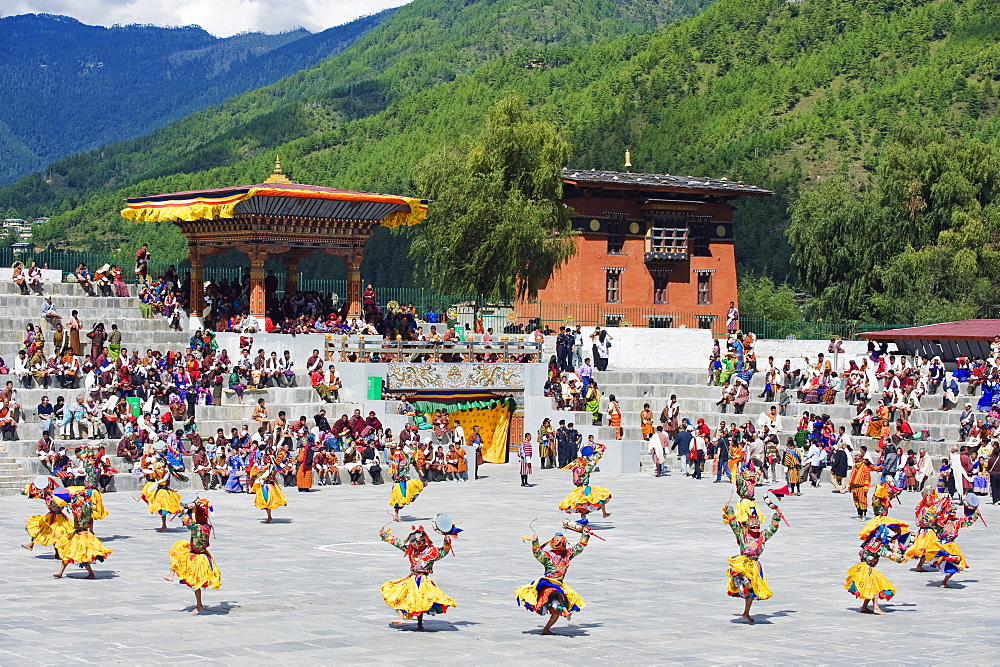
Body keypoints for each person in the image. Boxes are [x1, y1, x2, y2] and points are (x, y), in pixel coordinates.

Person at [722, 473, 781, 624]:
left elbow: (771, 530)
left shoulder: (761, 537)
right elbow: (734, 525)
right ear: (748, 527)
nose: (755, 528)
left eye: (757, 526)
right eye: (752, 526)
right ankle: (740, 583)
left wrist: (776, 517)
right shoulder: (743, 536)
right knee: (746, 583)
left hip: (754, 565)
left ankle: (745, 612)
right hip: (743, 564)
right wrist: (729, 512)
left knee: (752, 592)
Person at [379, 524, 455, 631]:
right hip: (412, 577)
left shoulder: (431, 551)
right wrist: (385, 535)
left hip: (423, 580)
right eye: (414, 543)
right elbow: (398, 543)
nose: (416, 545)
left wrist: (446, 541)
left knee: (420, 600)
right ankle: (401, 618)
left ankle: (419, 623)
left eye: (419, 543)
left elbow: (444, 551)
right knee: (401, 596)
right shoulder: (411, 549)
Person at [514, 529, 590, 635]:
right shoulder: (548, 556)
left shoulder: (567, 554)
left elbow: (580, 547)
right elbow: (537, 553)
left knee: (556, 612)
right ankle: (564, 611)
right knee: (556, 592)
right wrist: (535, 542)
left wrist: (585, 535)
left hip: (559, 583)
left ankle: (547, 628)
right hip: (548, 584)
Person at [164, 497, 221, 614]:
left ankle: (199, 604)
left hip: (198, 557)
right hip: (195, 551)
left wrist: (181, 511)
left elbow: (189, 523)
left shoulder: (199, 528)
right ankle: (171, 574)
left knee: (195, 583)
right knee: (177, 548)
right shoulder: (206, 526)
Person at [845, 517, 909, 615]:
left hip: (863, 567)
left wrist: (901, 549)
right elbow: (892, 556)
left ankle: (864, 607)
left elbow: (891, 550)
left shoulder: (872, 541)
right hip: (867, 569)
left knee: (869, 587)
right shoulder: (879, 546)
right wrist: (903, 555)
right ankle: (876, 608)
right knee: (874, 587)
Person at [53, 489, 112, 579]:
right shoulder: (84, 505)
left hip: (81, 534)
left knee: (81, 555)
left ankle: (91, 573)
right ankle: (60, 572)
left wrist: (89, 530)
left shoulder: (82, 507)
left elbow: (86, 520)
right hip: (77, 532)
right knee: (67, 552)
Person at [558, 443, 612, 523]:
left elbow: (575, 481)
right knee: (601, 497)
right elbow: (594, 462)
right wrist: (599, 454)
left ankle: (584, 521)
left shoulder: (576, 469)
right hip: (586, 489)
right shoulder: (586, 468)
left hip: (578, 490)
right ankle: (603, 513)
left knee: (582, 508)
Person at [21, 480, 72, 556]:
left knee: (56, 534)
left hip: (57, 517)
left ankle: (57, 553)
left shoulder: (56, 495)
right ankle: (31, 545)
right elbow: (36, 495)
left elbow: (61, 506)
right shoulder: (46, 494)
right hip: (50, 515)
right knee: (38, 528)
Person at [388, 445, 424, 521]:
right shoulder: (401, 464)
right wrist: (413, 449)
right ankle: (396, 515)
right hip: (400, 484)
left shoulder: (394, 465)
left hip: (399, 483)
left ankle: (396, 515)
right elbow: (409, 459)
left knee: (400, 499)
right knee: (401, 499)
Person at [250, 458, 288, 523]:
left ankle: (269, 516)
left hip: (269, 485)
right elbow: (254, 473)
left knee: (268, 500)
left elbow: (273, 473)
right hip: (262, 485)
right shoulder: (261, 466)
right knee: (265, 500)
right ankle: (269, 516)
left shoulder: (272, 467)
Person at [848, 453, 879, 520]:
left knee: (862, 501)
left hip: (861, 487)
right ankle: (859, 514)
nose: (855, 460)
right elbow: (852, 476)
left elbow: (867, 478)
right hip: (854, 487)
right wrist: (849, 485)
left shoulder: (865, 467)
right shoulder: (855, 467)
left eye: (856, 459)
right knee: (856, 501)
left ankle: (864, 515)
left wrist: (866, 487)